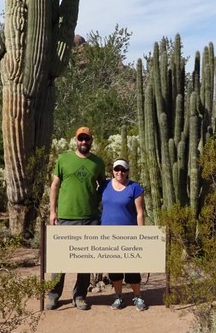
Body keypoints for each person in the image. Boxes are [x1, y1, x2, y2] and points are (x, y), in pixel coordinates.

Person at [47, 126, 106, 311]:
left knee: (85, 260)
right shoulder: (64, 159)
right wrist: (53, 211)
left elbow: (103, 187)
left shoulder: (97, 162)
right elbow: (55, 186)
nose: (83, 142)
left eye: (86, 139)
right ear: (76, 140)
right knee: (60, 260)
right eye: (80, 139)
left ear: (91, 141)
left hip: (90, 217)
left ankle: (80, 296)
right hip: (67, 216)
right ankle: (53, 295)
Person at [100, 158, 148, 311]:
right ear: (112, 170)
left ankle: (138, 297)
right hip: (108, 235)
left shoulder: (135, 188)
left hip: (129, 234)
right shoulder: (104, 186)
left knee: (132, 268)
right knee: (114, 269)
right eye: (117, 169)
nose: (119, 172)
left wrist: (141, 235)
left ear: (128, 172)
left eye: (123, 170)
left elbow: (140, 213)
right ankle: (118, 297)